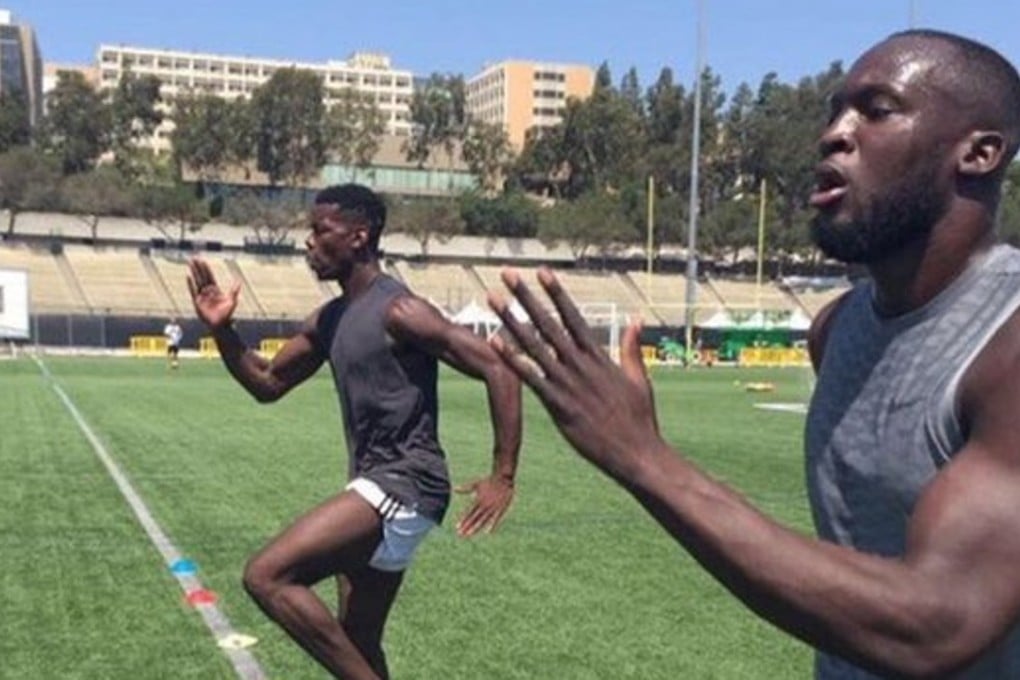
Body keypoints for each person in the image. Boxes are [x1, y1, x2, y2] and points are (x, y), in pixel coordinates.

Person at [488, 29, 1020, 679]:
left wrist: (643, 457)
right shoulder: (837, 328)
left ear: (981, 152)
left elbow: (941, 624)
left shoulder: (1007, 337)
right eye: (834, 111)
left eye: (877, 110)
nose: (833, 134)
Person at [187, 184, 522, 679]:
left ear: (359, 237)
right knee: (359, 641)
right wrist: (222, 330)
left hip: (405, 483)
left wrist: (504, 475)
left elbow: (499, 368)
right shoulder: (331, 319)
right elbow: (267, 382)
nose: (308, 242)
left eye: (320, 230)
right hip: (378, 484)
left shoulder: (399, 310)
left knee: (267, 575)